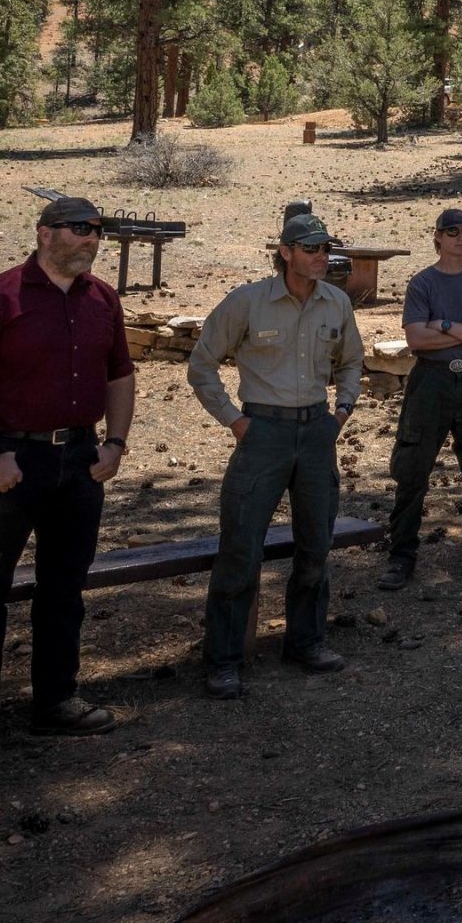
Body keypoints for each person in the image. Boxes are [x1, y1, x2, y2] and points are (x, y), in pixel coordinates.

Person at [0, 196, 132, 770]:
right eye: (81, 229)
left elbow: (120, 374)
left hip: (79, 462)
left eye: (99, 230)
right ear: (45, 234)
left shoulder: (103, 299)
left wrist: (114, 444)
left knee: (64, 588)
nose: (93, 239)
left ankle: (56, 700)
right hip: (9, 464)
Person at [188, 214, 364, 699]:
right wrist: (235, 422)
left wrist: (341, 412)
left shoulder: (337, 302)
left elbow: (351, 362)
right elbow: (202, 364)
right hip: (261, 433)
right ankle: (223, 660)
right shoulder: (249, 301)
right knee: (241, 549)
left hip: (316, 433)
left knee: (315, 545)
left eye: (326, 248)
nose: (321, 257)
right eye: (310, 248)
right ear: (286, 252)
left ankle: (306, 642)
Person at [384, 208, 462, 588]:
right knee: (412, 471)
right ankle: (401, 557)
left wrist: (444, 324)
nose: (461, 237)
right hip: (431, 381)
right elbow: (416, 340)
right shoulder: (422, 283)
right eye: (452, 231)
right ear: (437, 236)